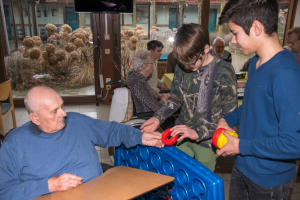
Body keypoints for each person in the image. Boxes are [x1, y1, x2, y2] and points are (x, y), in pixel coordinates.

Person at [0, 86, 164, 200]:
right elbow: (5, 192)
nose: (64, 114)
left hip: (101, 192)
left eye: (62, 106)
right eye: (54, 111)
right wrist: (48, 185)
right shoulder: (14, 144)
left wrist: (140, 137)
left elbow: (112, 131)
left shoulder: (77, 122)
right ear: (35, 118)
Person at [216, 0, 300, 199]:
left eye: (235, 33)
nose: (233, 41)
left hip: (269, 179)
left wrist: (241, 146)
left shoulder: (285, 74)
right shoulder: (255, 62)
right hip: (244, 165)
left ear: (256, 27)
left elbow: (294, 143)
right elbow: (252, 107)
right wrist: (228, 119)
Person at [141, 23, 237, 172]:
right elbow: (176, 99)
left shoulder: (224, 70)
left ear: (205, 49)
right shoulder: (183, 64)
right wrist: (158, 117)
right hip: (181, 135)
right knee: (178, 179)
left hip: (207, 141)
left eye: (190, 63)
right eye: (182, 63)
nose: (186, 67)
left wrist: (197, 132)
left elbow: (230, 115)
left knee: (201, 185)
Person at [127, 50, 169, 114]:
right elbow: (158, 108)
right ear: (144, 66)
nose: (152, 66)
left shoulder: (138, 77)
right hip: (148, 114)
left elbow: (145, 96)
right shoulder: (139, 83)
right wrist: (164, 100)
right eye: (151, 63)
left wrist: (158, 95)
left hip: (150, 109)